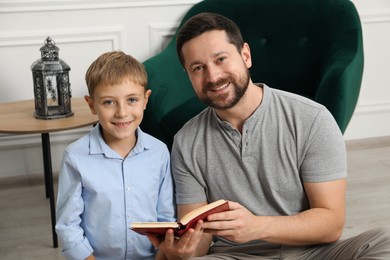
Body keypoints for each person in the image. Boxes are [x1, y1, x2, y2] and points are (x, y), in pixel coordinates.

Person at [150, 13, 390, 259]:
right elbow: (200, 239)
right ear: (188, 75)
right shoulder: (186, 142)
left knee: (383, 242)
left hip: (312, 254)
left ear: (245, 55)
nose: (213, 77)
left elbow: (331, 224)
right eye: (198, 68)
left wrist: (255, 227)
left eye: (221, 59)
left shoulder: (312, 119)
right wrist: (181, 251)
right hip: (235, 256)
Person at [55, 51, 175, 260]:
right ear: (92, 104)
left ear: (145, 100)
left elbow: (166, 217)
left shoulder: (159, 152)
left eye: (131, 100)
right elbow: (68, 225)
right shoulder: (76, 157)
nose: (121, 112)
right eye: (109, 102)